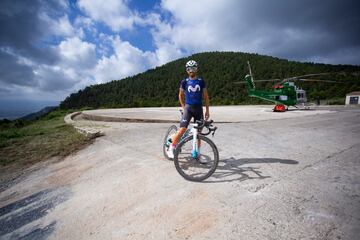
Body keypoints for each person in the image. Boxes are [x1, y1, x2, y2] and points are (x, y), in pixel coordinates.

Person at [167, 60, 210, 158]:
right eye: (189, 69)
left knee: (199, 133)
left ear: (196, 69)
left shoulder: (201, 81)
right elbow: (180, 95)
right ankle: (171, 148)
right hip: (188, 108)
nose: (191, 70)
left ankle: (197, 152)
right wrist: (183, 106)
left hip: (199, 109)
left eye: (193, 68)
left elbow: (206, 96)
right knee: (182, 129)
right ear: (187, 70)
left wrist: (207, 110)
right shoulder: (184, 82)